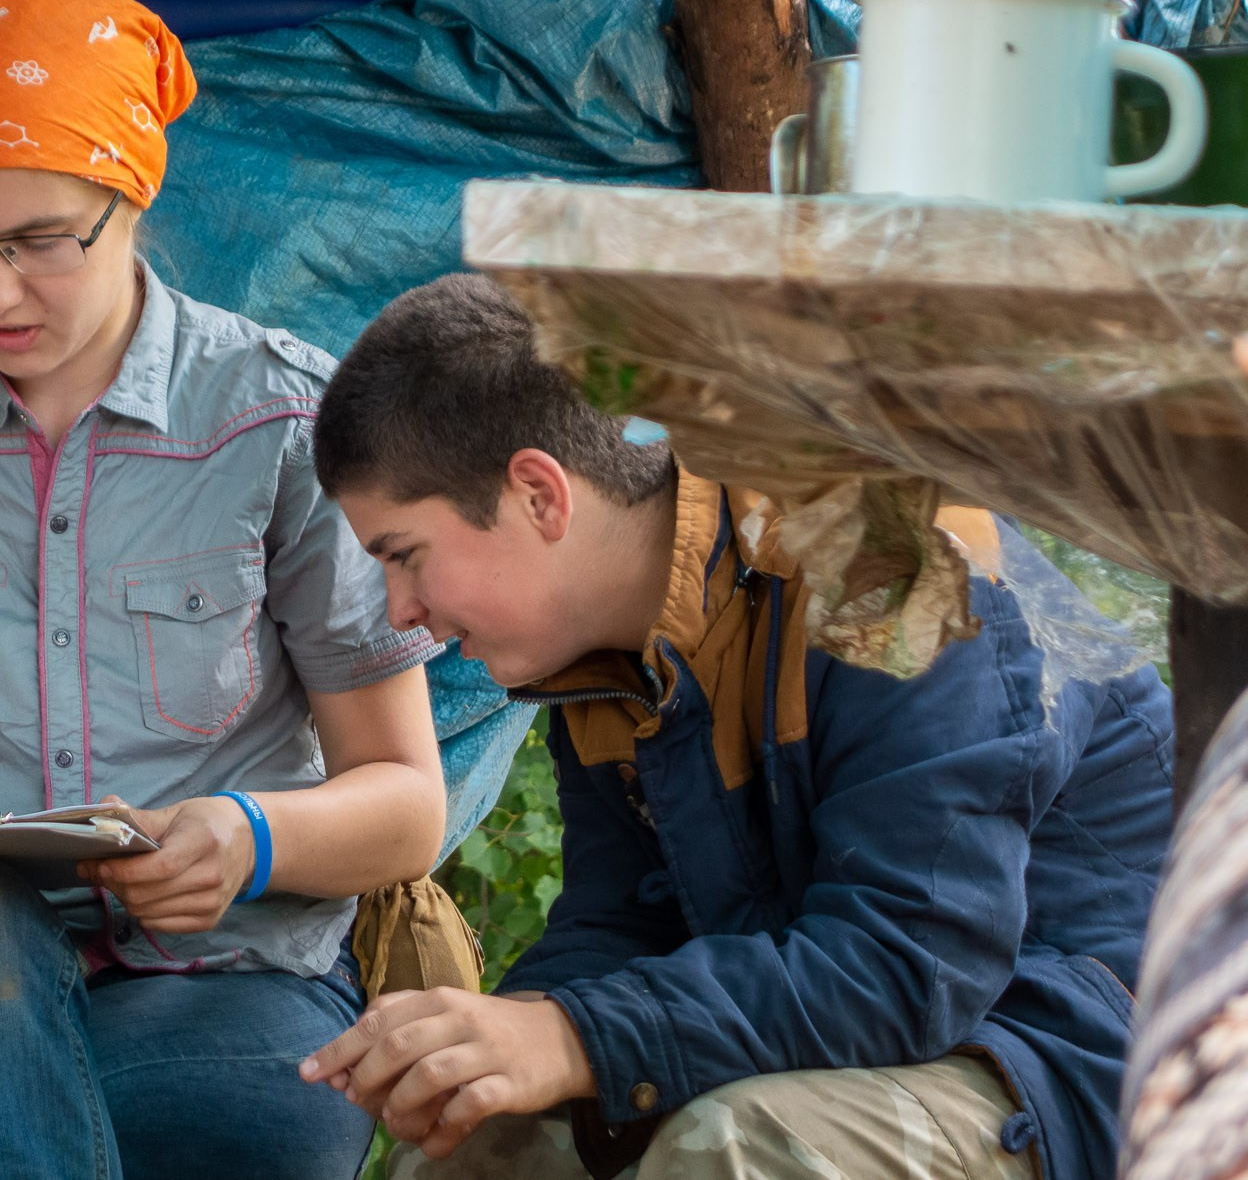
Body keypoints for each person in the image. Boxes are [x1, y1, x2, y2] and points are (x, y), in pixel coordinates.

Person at [0, 0, 447, 1179]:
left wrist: (249, 837)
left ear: (130, 197)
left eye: (37, 240)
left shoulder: (278, 422)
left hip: (238, 985)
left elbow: (406, 804)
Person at [299, 273, 1174, 1180]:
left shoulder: (896, 568)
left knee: (734, 1148)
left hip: (1082, 1060)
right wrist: (480, 1046)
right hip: (875, 1046)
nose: (400, 610)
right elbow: (622, 925)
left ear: (539, 494)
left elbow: (913, 960)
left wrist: (568, 1035)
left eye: (405, 557)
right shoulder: (602, 664)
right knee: (485, 1142)